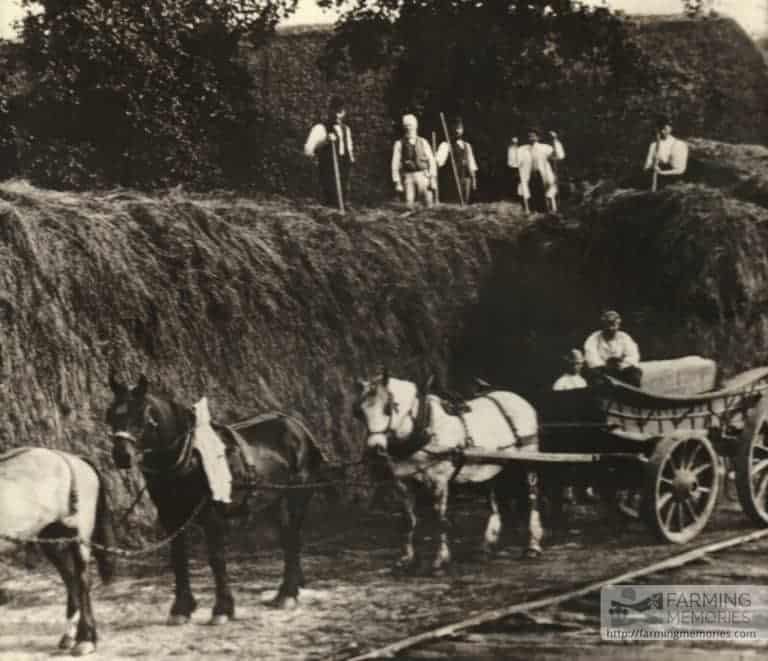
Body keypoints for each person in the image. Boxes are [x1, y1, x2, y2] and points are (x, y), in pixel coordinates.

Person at [304, 96, 355, 207]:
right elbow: (309, 148)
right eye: (337, 111)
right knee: (329, 186)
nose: (340, 114)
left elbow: (349, 145)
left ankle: (341, 207)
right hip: (328, 163)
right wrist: (327, 140)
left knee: (344, 185)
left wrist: (351, 157)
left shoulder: (347, 129)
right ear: (333, 111)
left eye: (341, 111)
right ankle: (329, 209)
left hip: (343, 162)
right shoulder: (322, 127)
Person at [512, 129, 565, 214]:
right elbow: (515, 162)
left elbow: (558, 156)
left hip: (543, 173)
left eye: (533, 136)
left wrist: (555, 140)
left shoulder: (545, 147)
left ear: (538, 137)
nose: (531, 138)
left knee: (549, 188)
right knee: (528, 190)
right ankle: (529, 210)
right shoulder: (522, 149)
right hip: (530, 173)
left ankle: (552, 209)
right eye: (529, 136)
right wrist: (514, 146)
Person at [583, 310, 642, 387]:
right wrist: (605, 366)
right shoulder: (593, 338)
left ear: (618, 325)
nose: (611, 328)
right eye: (608, 325)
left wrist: (622, 364)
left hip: (621, 368)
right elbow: (591, 357)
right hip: (602, 370)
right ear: (603, 325)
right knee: (595, 378)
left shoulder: (624, 337)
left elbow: (633, 355)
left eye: (614, 325)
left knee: (635, 374)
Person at [391, 114, 437, 208]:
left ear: (416, 126)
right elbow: (395, 164)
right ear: (404, 128)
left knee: (427, 203)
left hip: (423, 175)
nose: (409, 128)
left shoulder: (423, 142)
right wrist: (397, 182)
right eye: (406, 126)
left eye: (411, 125)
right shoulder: (399, 143)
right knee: (409, 203)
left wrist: (432, 178)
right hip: (408, 176)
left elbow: (431, 161)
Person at [435, 117, 478, 204]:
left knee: (465, 202)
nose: (458, 131)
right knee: (453, 203)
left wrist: (473, 179)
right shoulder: (446, 145)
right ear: (451, 130)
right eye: (456, 128)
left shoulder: (467, 145)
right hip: (452, 180)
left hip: (465, 179)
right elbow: (438, 163)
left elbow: (471, 164)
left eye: (460, 128)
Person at [644, 117, 688, 188]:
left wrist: (662, 173)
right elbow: (646, 167)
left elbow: (680, 170)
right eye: (660, 128)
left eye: (665, 128)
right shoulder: (653, 145)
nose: (662, 131)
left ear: (670, 128)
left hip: (674, 183)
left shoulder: (679, 144)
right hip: (657, 183)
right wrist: (653, 165)